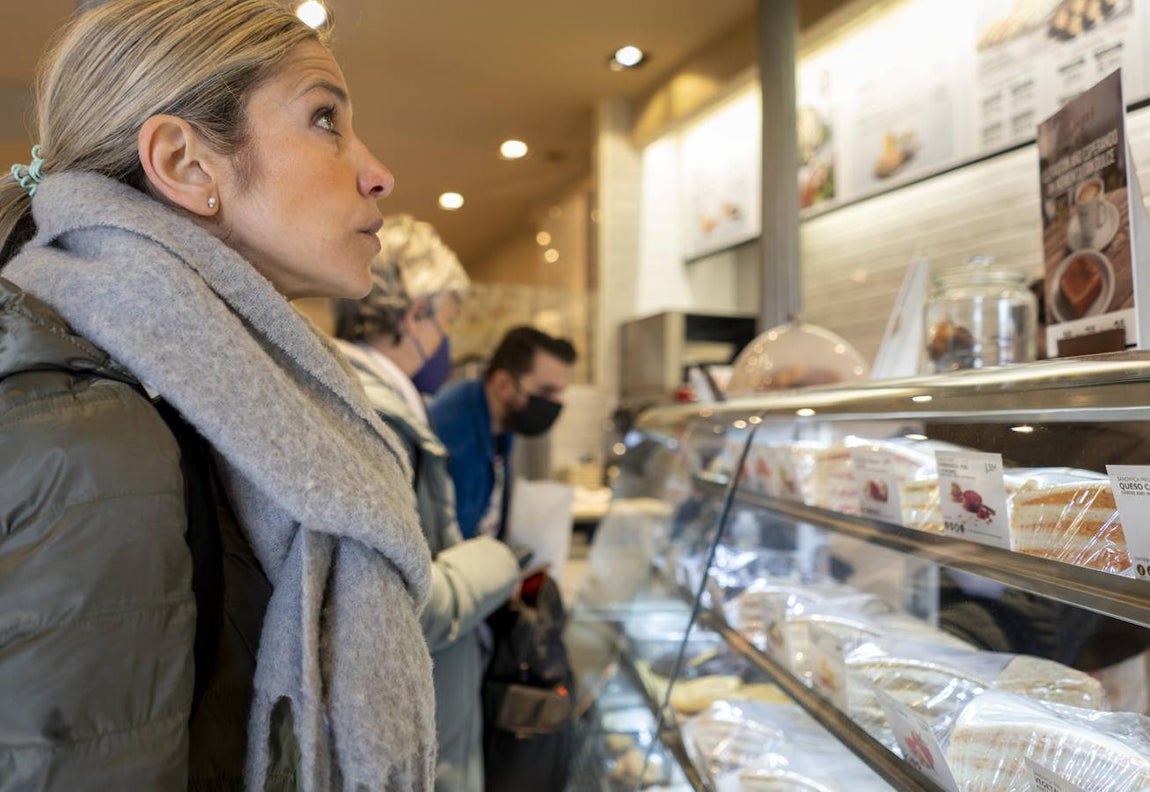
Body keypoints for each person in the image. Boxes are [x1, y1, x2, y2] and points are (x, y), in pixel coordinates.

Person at [0, 1, 436, 789]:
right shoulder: (90, 435)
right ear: (186, 164)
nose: (378, 172)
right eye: (325, 119)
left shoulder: (198, 398)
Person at [331, 215, 520, 792]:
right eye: (446, 322)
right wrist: (498, 559)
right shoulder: (378, 414)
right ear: (416, 315)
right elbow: (402, 602)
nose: (446, 342)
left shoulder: (350, 391)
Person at [428, 326, 577, 541]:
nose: (553, 404)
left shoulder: (501, 424)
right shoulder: (455, 433)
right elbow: (448, 541)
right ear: (502, 384)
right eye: (546, 391)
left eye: (559, 393)